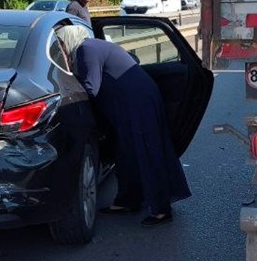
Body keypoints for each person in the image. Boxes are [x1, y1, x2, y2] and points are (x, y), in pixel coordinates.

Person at [56, 26, 190, 226]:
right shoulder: (93, 46)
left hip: (138, 103)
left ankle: (161, 208)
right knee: (125, 153)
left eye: (62, 44)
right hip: (131, 103)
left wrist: (64, 89)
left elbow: (91, 88)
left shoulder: (86, 49)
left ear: (69, 39)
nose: (62, 50)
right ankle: (128, 200)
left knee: (146, 151)